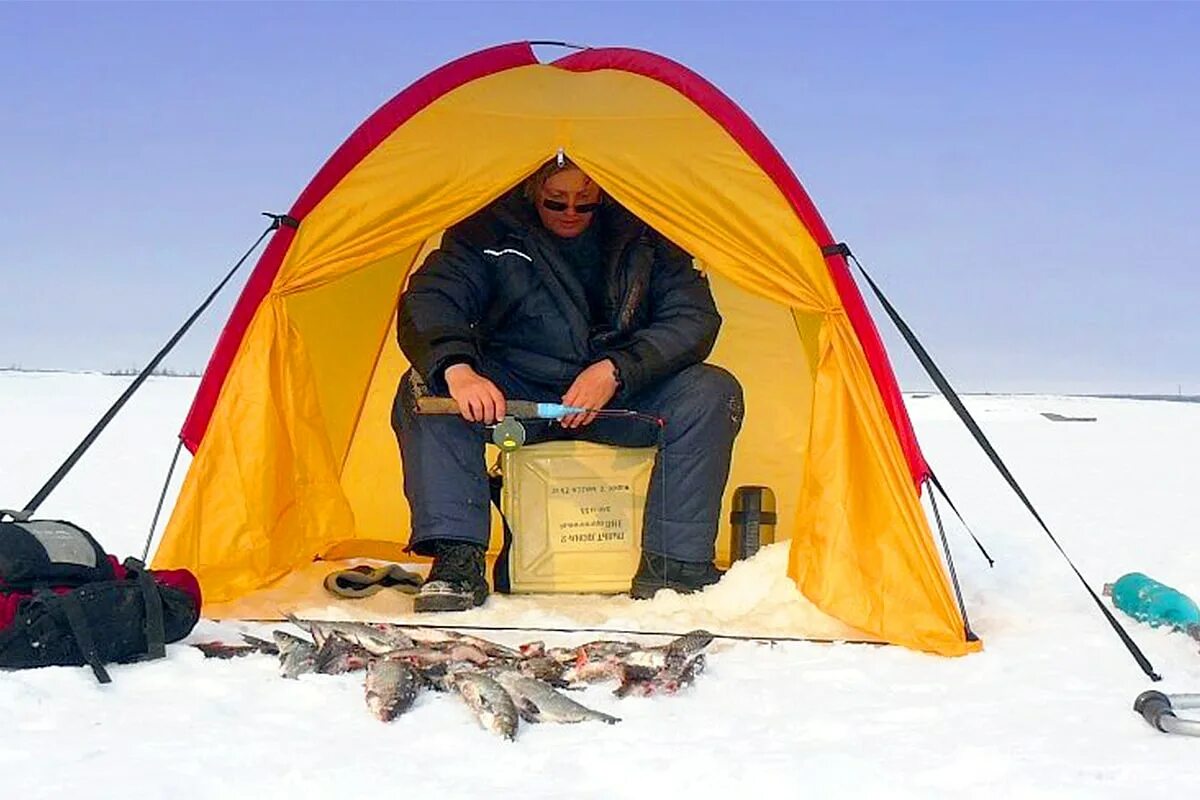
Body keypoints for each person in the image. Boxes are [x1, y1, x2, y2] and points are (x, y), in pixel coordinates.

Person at [392, 155, 743, 612]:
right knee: (425, 388)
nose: (572, 213)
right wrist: (459, 370)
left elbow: (693, 318)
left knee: (712, 392)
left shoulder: (647, 233)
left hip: (619, 396)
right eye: (556, 202)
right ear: (532, 192)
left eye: (586, 203)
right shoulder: (484, 232)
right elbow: (431, 299)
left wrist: (616, 369)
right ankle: (458, 560)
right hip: (515, 398)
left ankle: (674, 568)